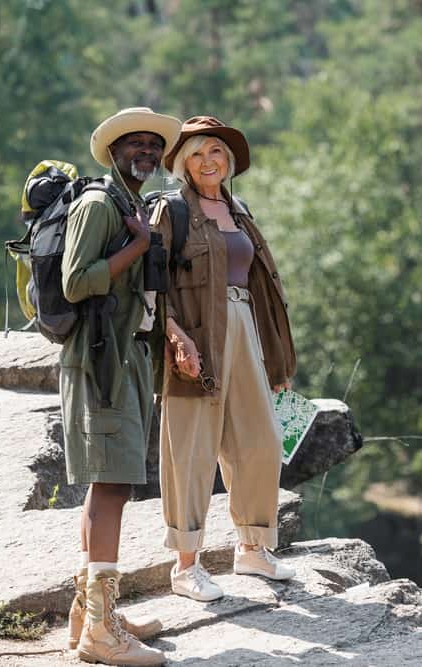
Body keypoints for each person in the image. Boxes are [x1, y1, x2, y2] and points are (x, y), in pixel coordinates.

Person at [152, 116, 297, 602]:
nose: (208, 161)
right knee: (191, 449)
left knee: (262, 439)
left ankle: (252, 548)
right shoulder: (170, 212)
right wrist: (174, 337)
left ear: (228, 159)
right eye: (196, 154)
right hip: (195, 336)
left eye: (216, 151)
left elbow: (261, 290)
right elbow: (150, 288)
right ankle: (186, 565)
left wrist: (274, 361)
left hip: (244, 329)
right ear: (181, 165)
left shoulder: (241, 209)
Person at [61, 107, 180, 666]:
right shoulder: (96, 205)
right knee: (112, 486)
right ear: (113, 151)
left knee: (106, 485)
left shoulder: (129, 203)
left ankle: (92, 614)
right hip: (100, 360)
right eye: (135, 144)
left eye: (153, 147)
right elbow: (75, 282)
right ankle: (102, 636)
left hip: (127, 355)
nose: (147, 153)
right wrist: (137, 246)